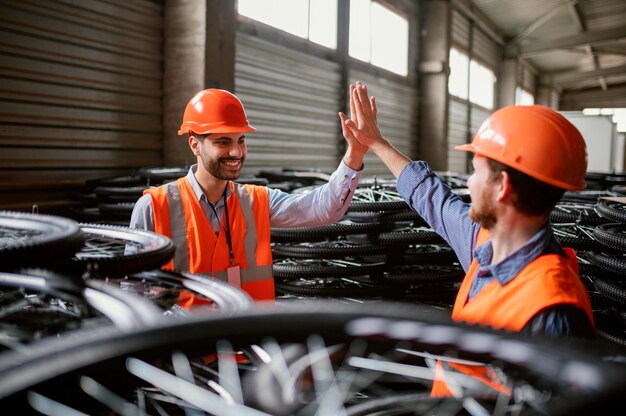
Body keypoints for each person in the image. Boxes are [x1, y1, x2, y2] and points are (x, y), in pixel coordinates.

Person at [340, 81, 596, 397]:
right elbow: (431, 197)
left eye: (475, 172)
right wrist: (377, 143)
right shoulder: (486, 243)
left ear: (502, 186)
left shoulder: (553, 309)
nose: (469, 183)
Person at [130, 88, 367, 303]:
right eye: (223, 142)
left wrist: (354, 153)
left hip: (247, 346)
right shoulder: (153, 207)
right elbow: (132, 292)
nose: (236, 152)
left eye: (241, 141)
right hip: (188, 348)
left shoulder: (257, 201)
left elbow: (324, 208)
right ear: (195, 145)